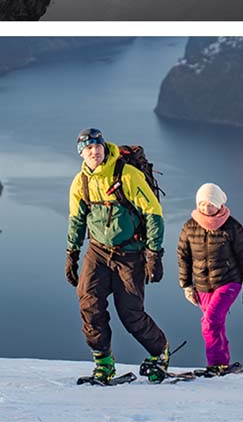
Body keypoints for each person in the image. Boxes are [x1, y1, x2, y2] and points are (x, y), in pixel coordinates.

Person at [65, 127, 171, 384]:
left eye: (97, 146)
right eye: (88, 148)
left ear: (104, 146)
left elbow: (153, 214)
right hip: (98, 251)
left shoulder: (127, 175)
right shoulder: (81, 182)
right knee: (89, 304)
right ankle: (103, 362)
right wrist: (72, 253)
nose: (94, 151)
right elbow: (76, 220)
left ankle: (160, 352)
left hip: (130, 253)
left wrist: (154, 254)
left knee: (131, 313)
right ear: (81, 154)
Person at [177, 182, 243, 374]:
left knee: (210, 322)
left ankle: (215, 363)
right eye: (202, 204)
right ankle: (222, 363)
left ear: (219, 204)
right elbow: (183, 256)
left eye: (210, 204)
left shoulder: (232, 227)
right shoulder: (190, 226)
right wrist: (186, 285)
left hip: (228, 281)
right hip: (202, 285)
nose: (206, 208)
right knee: (215, 324)